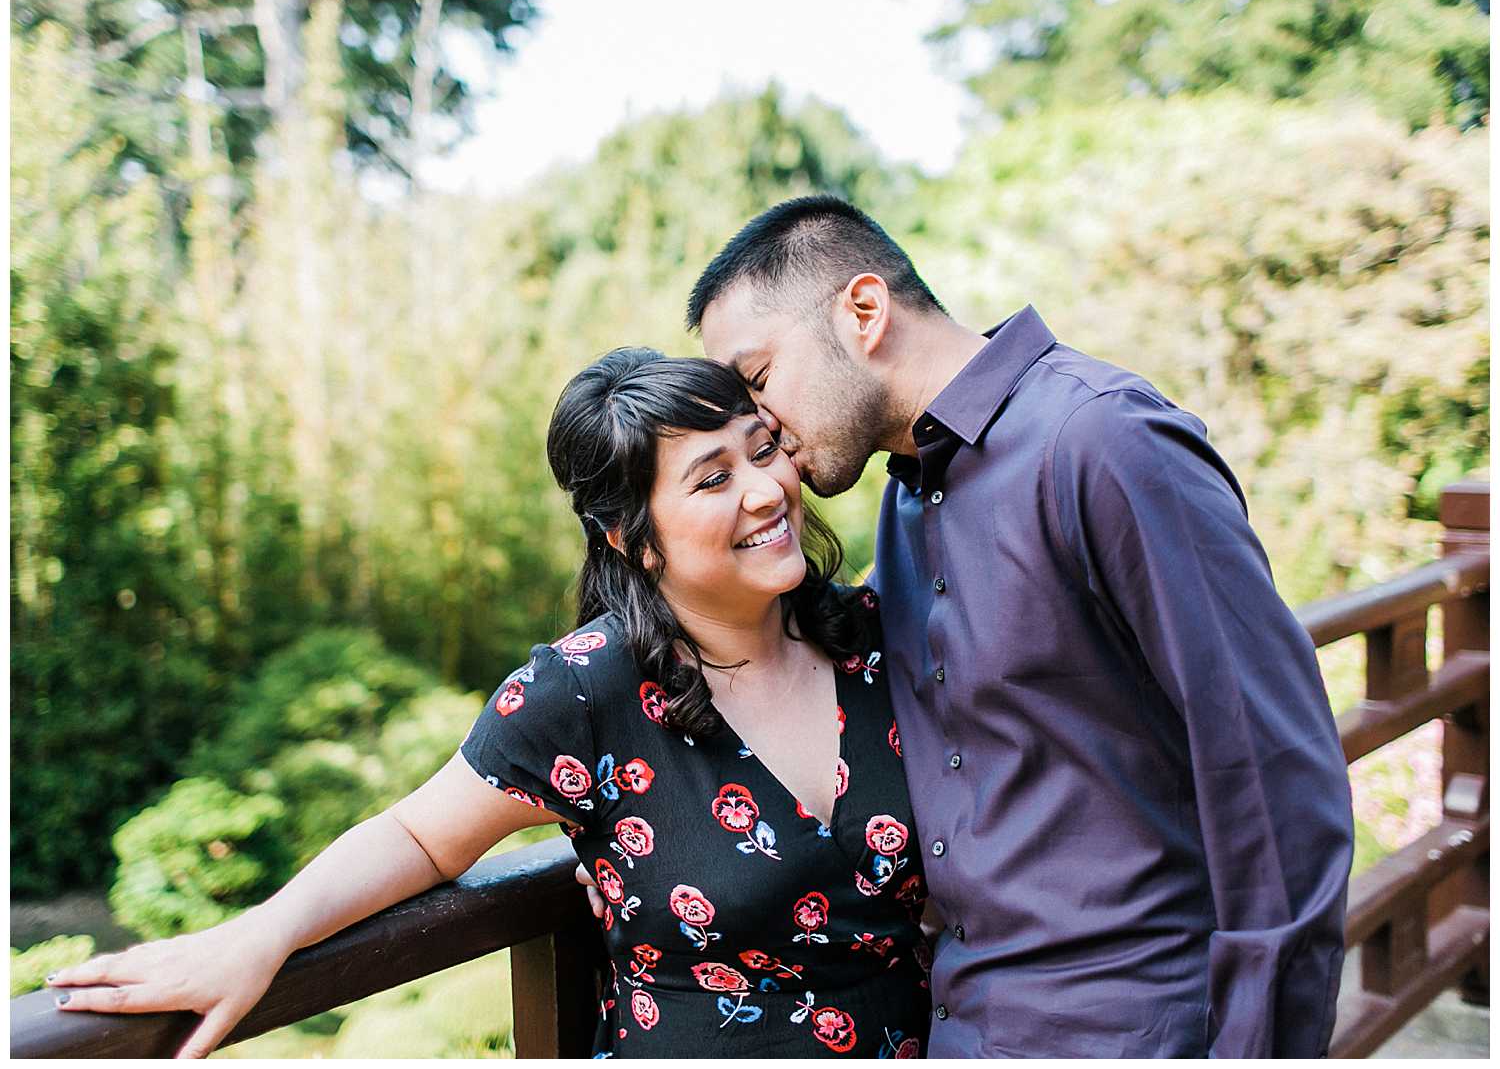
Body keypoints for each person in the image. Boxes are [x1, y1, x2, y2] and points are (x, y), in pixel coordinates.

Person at [47, 348, 931, 1059]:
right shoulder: (588, 693)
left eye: (762, 447)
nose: (766, 489)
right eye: (711, 478)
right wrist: (260, 934)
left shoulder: (878, 639)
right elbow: (421, 835)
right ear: (633, 539)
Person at [678, 195, 1356, 1058]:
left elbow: (1276, 779)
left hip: (1139, 1032)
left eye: (761, 379)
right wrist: (656, 852)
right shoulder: (906, 501)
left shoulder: (1103, 440)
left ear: (863, 311)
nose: (759, 425)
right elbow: (827, 702)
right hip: (965, 1028)